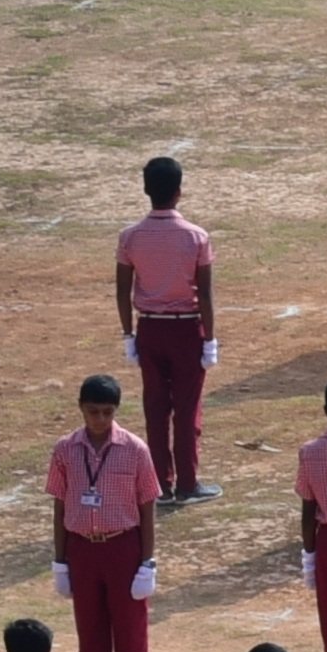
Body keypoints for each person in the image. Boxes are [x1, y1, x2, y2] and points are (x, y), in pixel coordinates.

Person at [48, 369, 160, 652]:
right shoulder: (65, 450)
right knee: (91, 639)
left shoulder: (135, 449)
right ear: (81, 408)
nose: (100, 420)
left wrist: (147, 562)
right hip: (82, 548)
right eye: (93, 411)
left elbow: (147, 508)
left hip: (123, 547)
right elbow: (60, 506)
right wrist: (60, 561)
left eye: (107, 412)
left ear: (116, 412)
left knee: (130, 637)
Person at [115, 153, 218, 504]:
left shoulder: (130, 237)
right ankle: (188, 483)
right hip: (187, 329)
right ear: (179, 192)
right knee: (187, 409)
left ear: (146, 190)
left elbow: (122, 290)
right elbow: (203, 291)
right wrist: (211, 339)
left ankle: (161, 483)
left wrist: (128, 334)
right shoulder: (195, 236)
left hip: (150, 329)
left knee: (156, 408)